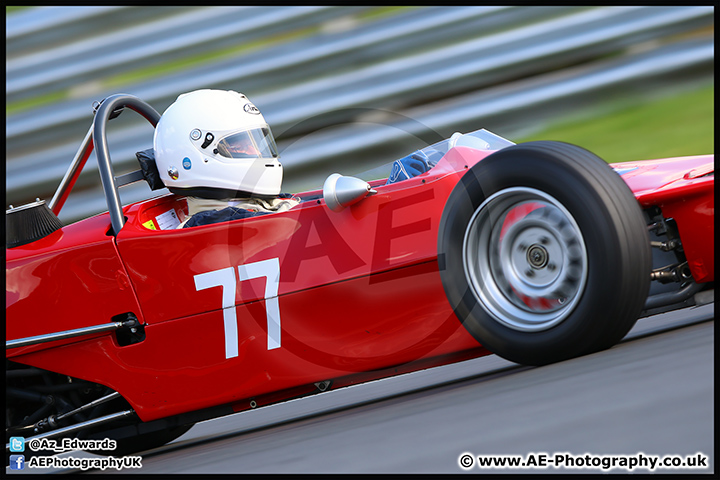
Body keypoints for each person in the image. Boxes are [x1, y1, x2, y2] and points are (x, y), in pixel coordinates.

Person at [153, 89, 300, 228]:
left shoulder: (269, 206)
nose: (254, 151)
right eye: (238, 146)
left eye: (255, 143)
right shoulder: (208, 224)